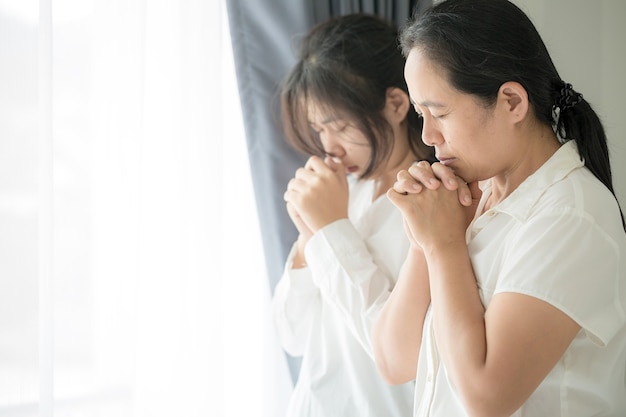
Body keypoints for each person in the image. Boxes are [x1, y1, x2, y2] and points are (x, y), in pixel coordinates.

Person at [371, 1, 626, 416]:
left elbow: (486, 397)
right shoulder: (468, 199)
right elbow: (393, 361)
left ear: (511, 102)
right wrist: (426, 235)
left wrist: (443, 245)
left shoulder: (571, 215)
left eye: (438, 113)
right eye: (420, 115)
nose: (428, 136)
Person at [272, 13, 435, 417]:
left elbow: (399, 356)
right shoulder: (344, 191)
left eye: (339, 126)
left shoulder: (434, 201)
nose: (329, 147)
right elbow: (291, 335)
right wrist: (311, 237)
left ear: (396, 104)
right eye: (318, 129)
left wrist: (331, 229)